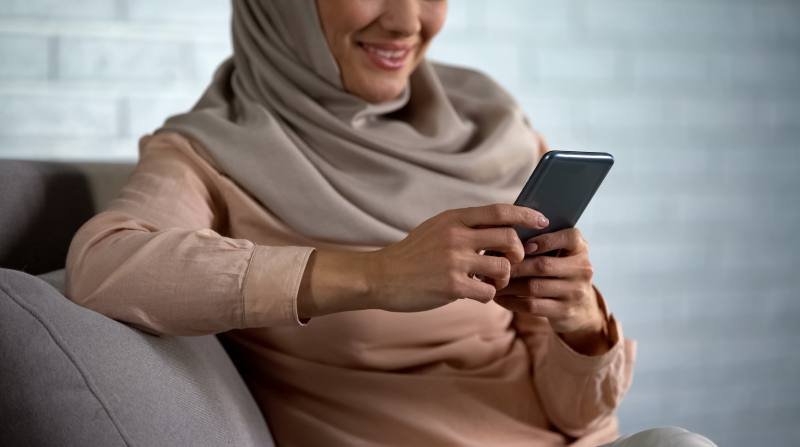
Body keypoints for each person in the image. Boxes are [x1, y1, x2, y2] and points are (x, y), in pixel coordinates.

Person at [65, 0, 714, 446]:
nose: (408, 22)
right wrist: (375, 273)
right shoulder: (207, 152)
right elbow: (104, 268)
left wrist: (582, 324)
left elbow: (579, 415)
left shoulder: (492, 123)